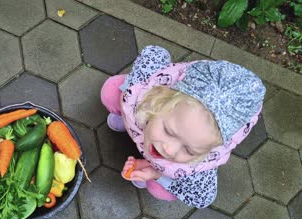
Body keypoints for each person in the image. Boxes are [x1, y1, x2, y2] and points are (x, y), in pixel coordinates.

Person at [100, 45, 266, 208]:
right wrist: (126, 111)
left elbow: (202, 198)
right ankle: (126, 120)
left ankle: (153, 174)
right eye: (168, 131)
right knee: (111, 90)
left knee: (162, 191)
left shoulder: (198, 169)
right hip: (140, 115)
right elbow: (154, 54)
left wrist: (156, 173)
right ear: (161, 101)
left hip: (163, 170)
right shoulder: (146, 94)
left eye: (190, 150)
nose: (169, 150)